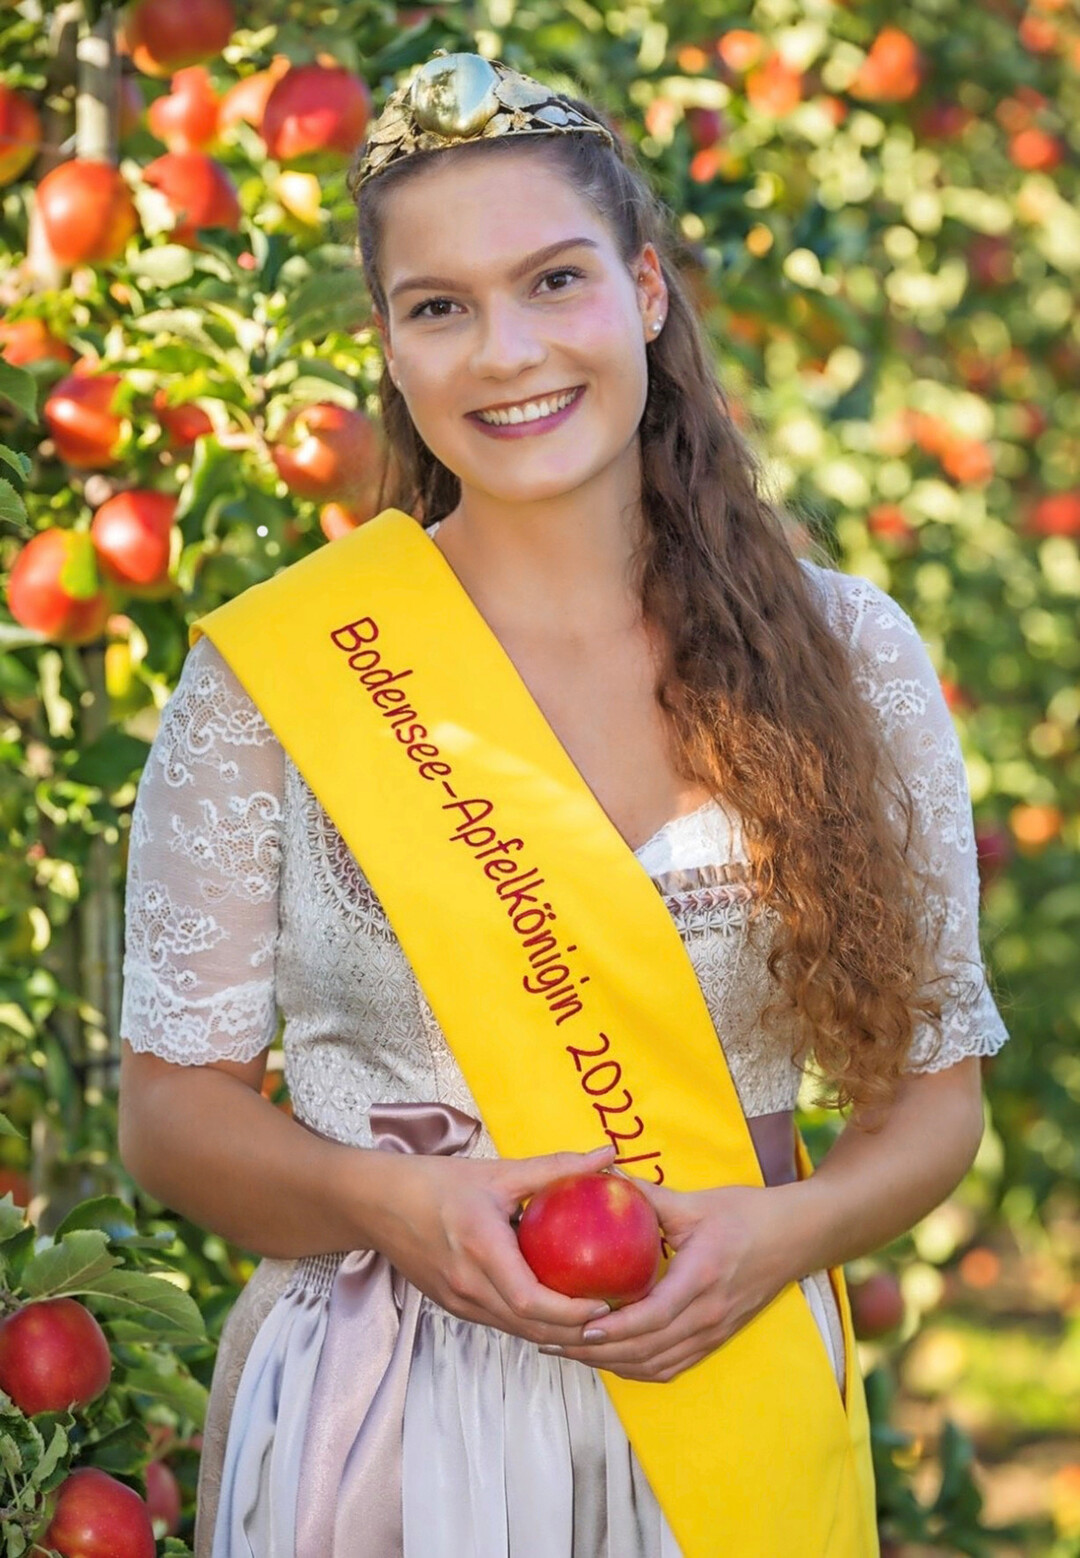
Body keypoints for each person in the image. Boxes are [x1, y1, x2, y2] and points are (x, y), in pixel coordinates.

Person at [117, 49, 1011, 1558]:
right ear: (390, 349)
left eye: (553, 281)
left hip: (728, 1381)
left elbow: (938, 1100)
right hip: (382, 1416)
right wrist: (387, 1205)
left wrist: (772, 1241)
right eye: (440, 307)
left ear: (646, 292)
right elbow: (170, 1115)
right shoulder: (278, 673)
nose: (505, 353)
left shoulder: (846, 650)